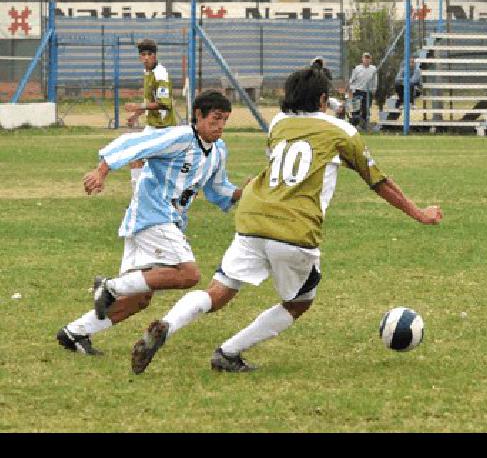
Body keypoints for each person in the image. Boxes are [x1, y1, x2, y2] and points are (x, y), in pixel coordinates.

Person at [128, 67, 443, 374]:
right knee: (300, 301)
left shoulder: (278, 123)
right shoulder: (341, 131)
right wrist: (419, 213)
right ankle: (228, 352)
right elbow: (379, 182)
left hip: (252, 218)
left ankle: (169, 323)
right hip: (293, 228)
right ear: (322, 99)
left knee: (218, 291)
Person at [56, 90, 247, 356]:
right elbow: (137, 143)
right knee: (189, 274)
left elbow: (218, 189)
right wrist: (101, 172)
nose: (221, 126)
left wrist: (245, 192)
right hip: (154, 215)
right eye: (215, 119)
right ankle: (109, 286)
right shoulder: (180, 137)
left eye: (225, 120)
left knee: (138, 299)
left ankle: (75, 332)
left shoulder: (217, 151)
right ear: (199, 116)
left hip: (160, 221)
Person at [124, 39, 177, 191]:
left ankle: (140, 198)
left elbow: (163, 103)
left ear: (155, 55)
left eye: (149, 54)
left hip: (163, 128)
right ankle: (139, 197)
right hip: (153, 127)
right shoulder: (148, 72)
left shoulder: (160, 75)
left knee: (139, 157)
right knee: (136, 157)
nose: (146, 57)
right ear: (139, 57)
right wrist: (136, 115)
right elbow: (150, 101)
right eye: (143, 54)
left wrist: (137, 106)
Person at [346, 52, 377, 129]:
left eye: (368, 58)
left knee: (366, 109)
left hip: (368, 91)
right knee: (356, 108)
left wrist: (374, 88)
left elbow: (375, 80)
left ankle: (363, 125)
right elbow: (352, 79)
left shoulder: (373, 68)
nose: (366, 60)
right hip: (358, 90)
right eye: (365, 58)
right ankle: (353, 125)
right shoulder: (357, 68)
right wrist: (349, 88)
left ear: (370, 60)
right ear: (362, 59)